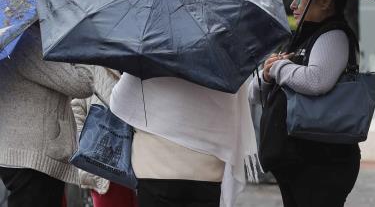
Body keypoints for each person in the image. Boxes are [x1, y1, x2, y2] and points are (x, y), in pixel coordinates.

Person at [249, 0, 361, 207]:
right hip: (296, 158)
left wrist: (279, 67)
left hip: (322, 162)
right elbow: (254, 94)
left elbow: (316, 80)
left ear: (326, 1)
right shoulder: (302, 38)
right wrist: (268, 74)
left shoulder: (334, 35)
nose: (293, 3)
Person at [110, 74, 258, 207]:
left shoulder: (151, 50)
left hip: (155, 166)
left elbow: (118, 101)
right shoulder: (221, 55)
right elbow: (233, 110)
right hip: (206, 169)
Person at [0, 24, 94, 207]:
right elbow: (83, 83)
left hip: (23, 154)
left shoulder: (11, 38)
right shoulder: (29, 42)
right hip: (32, 158)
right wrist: (78, 42)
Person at [71, 66, 139, 207]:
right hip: (106, 170)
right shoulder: (89, 66)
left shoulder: (138, 64)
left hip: (141, 163)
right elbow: (76, 110)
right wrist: (86, 156)